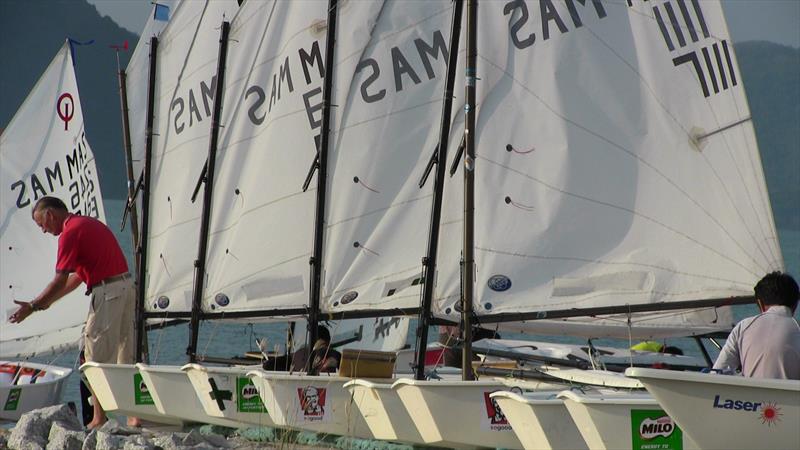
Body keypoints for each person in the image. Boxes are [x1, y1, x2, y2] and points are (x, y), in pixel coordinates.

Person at [9, 197, 140, 428]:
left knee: (94, 358)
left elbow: (60, 280)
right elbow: (78, 277)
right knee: (124, 356)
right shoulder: (86, 224)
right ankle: (134, 416)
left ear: (50, 215)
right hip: (125, 286)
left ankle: (99, 418)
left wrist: (32, 306)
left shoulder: (70, 233)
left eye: (41, 224)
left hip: (108, 292)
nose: (43, 230)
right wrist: (46, 304)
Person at [713, 271, 800, 380]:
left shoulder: (743, 326)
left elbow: (718, 371)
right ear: (795, 304)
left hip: (746, 396)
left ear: (760, 303)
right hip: (787, 396)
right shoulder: (797, 328)